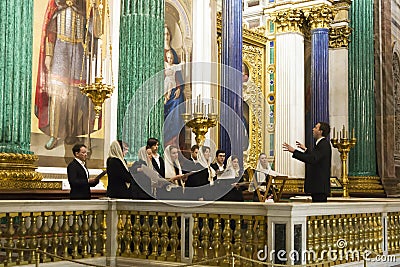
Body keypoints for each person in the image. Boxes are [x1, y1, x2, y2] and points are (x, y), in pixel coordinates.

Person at [35, 0, 100, 150]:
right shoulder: (58, 6)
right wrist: (49, 55)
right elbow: (50, 32)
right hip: (60, 50)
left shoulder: (83, 7)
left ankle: (73, 132)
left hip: (78, 52)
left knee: (77, 95)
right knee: (58, 95)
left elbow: (93, 33)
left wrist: (96, 12)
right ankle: (55, 133)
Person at [282, 122, 332, 202]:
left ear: (320, 131)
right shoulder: (322, 144)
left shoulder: (323, 144)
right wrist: (306, 149)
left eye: (316, 128)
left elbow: (312, 159)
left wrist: (295, 152)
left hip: (319, 186)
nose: (313, 129)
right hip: (318, 186)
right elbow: (316, 156)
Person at [164, 25, 185, 146]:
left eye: (168, 34)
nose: (166, 37)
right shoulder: (158, 52)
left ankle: (173, 141)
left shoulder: (174, 54)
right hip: (163, 88)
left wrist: (178, 88)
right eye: (164, 34)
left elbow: (178, 74)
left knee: (179, 100)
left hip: (173, 87)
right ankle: (164, 138)